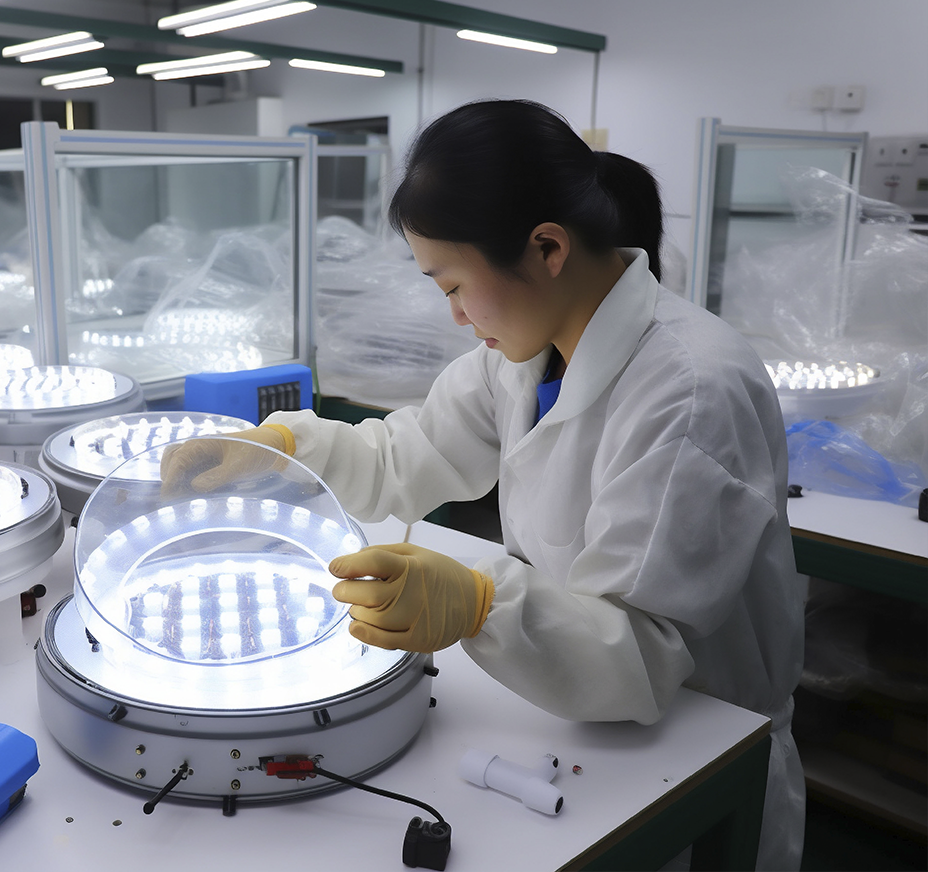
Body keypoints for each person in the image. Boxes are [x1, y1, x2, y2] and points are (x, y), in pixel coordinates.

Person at [161, 99, 806, 871]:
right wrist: (287, 451)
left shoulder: (692, 390)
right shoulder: (522, 356)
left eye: (454, 285)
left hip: (699, 754)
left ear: (547, 248)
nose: (458, 317)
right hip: (580, 720)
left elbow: (644, 650)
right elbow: (411, 453)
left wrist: (477, 602)